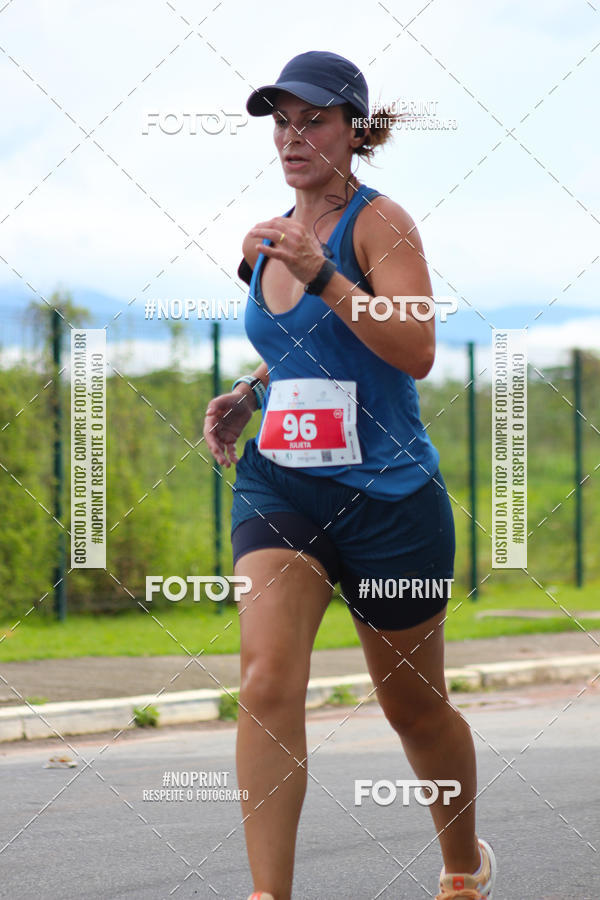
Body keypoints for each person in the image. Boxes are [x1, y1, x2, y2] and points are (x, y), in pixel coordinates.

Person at [203, 50, 497, 900]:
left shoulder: (382, 225)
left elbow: (416, 351)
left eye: (315, 120)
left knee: (414, 709)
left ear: (355, 131)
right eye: (281, 121)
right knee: (264, 678)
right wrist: (251, 392)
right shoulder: (263, 238)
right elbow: (297, 352)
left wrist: (324, 272)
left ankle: (460, 867)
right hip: (282, 485)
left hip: (390, 501)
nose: (293, 137)